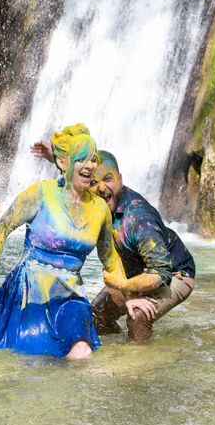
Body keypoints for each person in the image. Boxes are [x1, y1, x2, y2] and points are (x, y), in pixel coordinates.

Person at [0, 124, 126, 359]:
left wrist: (130, 295)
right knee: (24, 361)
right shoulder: (41, 193)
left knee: (81, 351)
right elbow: (2, 228)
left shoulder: (100, 210)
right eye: (82, 159)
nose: (90, 165)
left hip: (70, 295)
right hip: (28, 293)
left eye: (93, 159)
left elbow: (110, 259)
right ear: (64, 163)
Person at [31, 142, 195, 342]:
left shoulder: (139, 220)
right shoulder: (95, 204)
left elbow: (161, 271)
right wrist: (55, 159)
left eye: (108, 179)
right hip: (131, 271)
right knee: (95, 317)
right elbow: (77, 177)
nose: (101, 187)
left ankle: (141, 365)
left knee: (138, 316)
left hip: (174, 273)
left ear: (120, 179)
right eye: (93, 182)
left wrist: (127, 291)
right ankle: (116, 350)